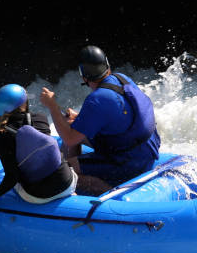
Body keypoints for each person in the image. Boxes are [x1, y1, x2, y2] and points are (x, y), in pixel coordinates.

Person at [40, 45, 161, 195]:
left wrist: (52, 107)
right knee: (72, 124)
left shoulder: (97, 100)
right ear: (107, 65)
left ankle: (107, 193)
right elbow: (122, 115)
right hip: (146, 149)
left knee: (60, 171)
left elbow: (70, 140)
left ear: (83, 76)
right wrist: (79, 118)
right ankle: (77, 167)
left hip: (129, 161)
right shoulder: (122, 78)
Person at [0, 84, 77, 204]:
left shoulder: (2, 137)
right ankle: (71, 195)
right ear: (25, 103)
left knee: (15, 182)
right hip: (67, 183)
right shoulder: (41, 118)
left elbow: (12, 178)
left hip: (38, 196)